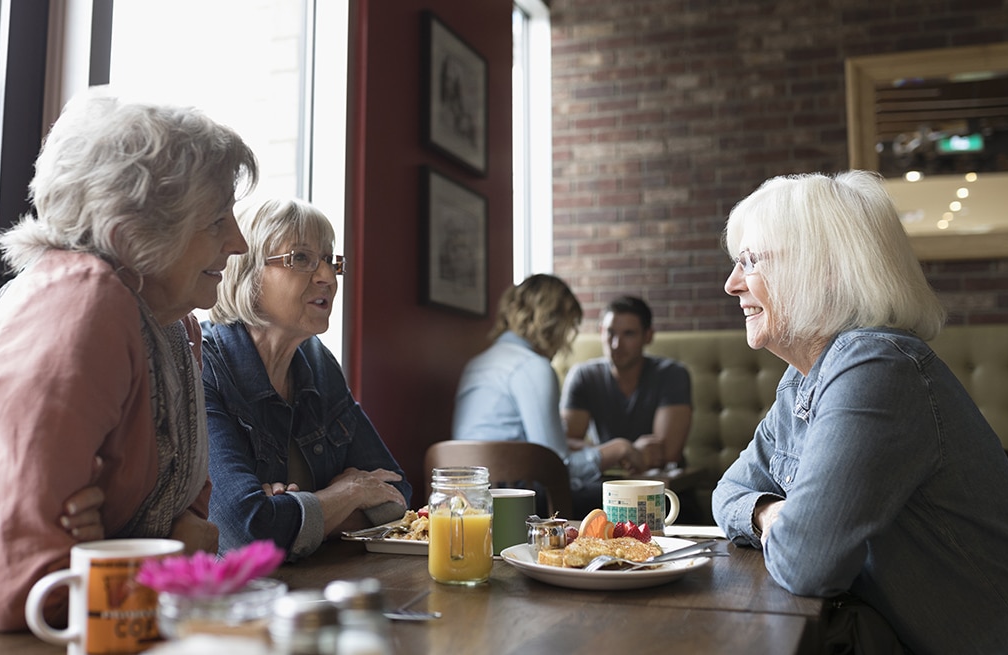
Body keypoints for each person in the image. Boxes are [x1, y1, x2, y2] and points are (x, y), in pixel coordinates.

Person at [0, 90, 258, 630]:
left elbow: (196, 520)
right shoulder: (79, 304)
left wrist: (137, 545)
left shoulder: (174, 327)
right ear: (134, 237)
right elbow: (30, 589)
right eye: (217, 221)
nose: (239, 243)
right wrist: (161, 551)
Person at [712, 170, 1008, 653]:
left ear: (822, 268)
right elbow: (728, 491)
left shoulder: (876, 367)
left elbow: (806, 562)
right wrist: (772, 513)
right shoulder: (804, 381)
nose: (731, 284)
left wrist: (776, 523)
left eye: (749, 262)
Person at [202, 198, 411, 560]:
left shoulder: (317, 361)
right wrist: (348, 495)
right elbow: (244, 531)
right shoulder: (205, 364)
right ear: (246, 270)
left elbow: (397, 493)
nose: (327, 277)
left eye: (330, 260)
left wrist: (292, 516)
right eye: (300, 258)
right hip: (226, 605)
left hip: (315, 590)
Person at [452, 274, 644, 514]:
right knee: (634, 498)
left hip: (463, 501)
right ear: (554, 322)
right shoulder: (533, 367)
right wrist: (619, 449)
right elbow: (558, 468)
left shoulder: (479, 361)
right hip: (513, 500)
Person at [560, 295, 701, 522]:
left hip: (660, 488)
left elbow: (665, 453)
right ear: (600, 331)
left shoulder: (671, 374)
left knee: (675, 506)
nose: (616, 344)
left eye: (629, 334)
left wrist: (598, 452)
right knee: (570, 502)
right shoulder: (584, 375)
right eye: (610, 333)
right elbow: (564, 444)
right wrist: (621, 450)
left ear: (648, 336)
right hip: (605, 486)